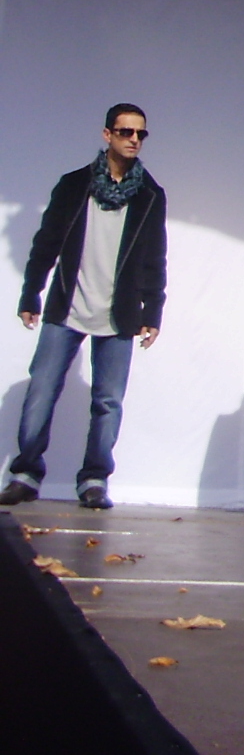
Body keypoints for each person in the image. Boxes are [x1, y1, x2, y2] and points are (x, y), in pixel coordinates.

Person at [3, 106, 166, 510]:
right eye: (126, 132)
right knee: (42, 390)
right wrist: (31, 293)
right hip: (67, 306)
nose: (134, 139)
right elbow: (47, 242)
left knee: (108, 402)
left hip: (119, 312)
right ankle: (25, 475)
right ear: (107, 134)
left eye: (141, 134)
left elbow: (154, 257)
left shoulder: (149, 194)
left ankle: (94, 479)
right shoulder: (75, 185)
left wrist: (153, 311)